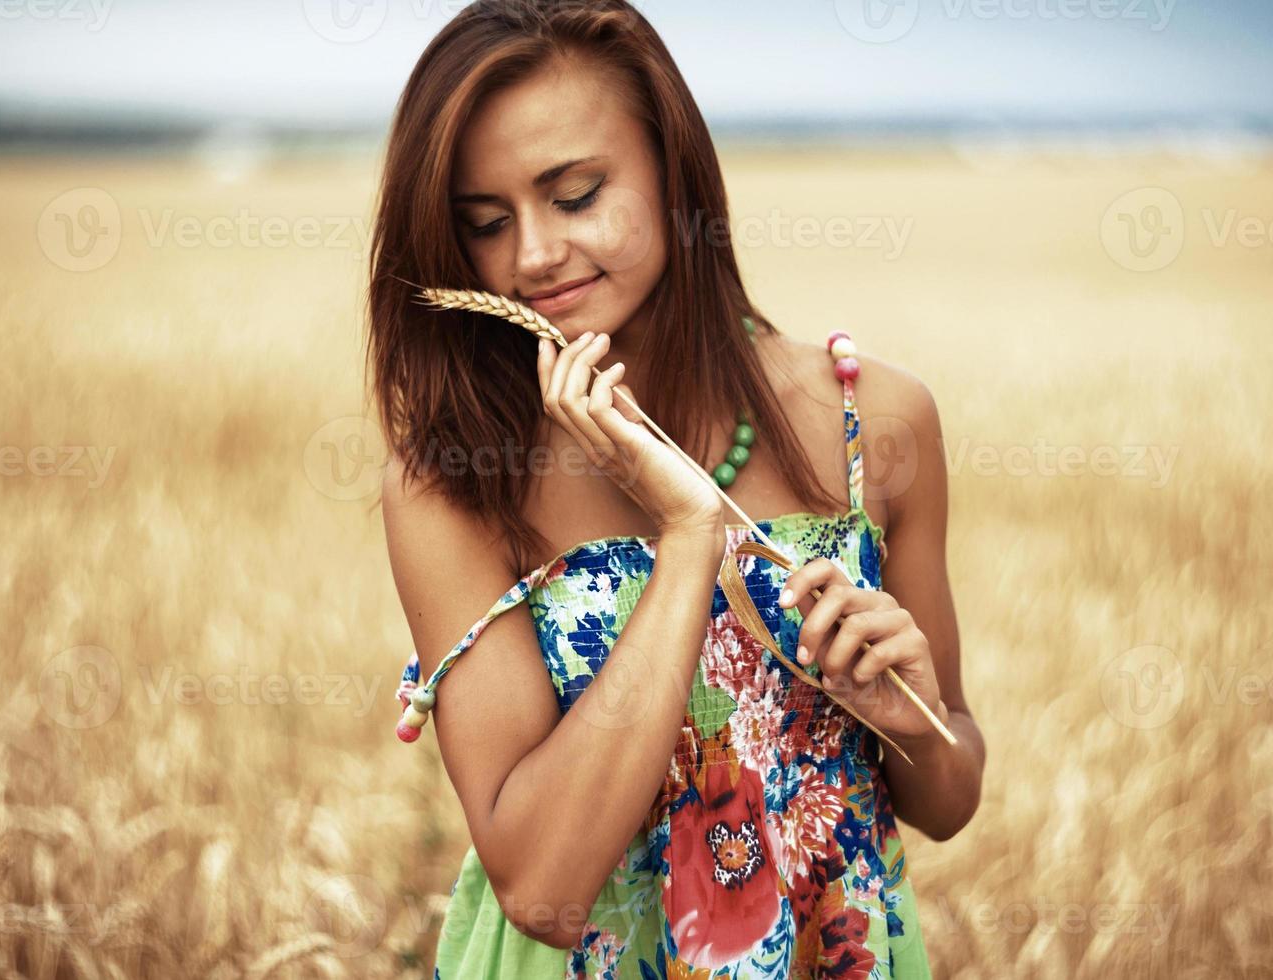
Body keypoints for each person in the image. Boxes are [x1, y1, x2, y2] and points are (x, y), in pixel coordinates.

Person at [367, 2, 985, 975]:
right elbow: (541, 886)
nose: (530, 255)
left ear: (672, 167)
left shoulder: (876, 421)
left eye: (574, 195)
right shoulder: (454, 477)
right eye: (484, 223)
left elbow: (948, 798)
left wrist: (908, 716)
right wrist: (688, 531)